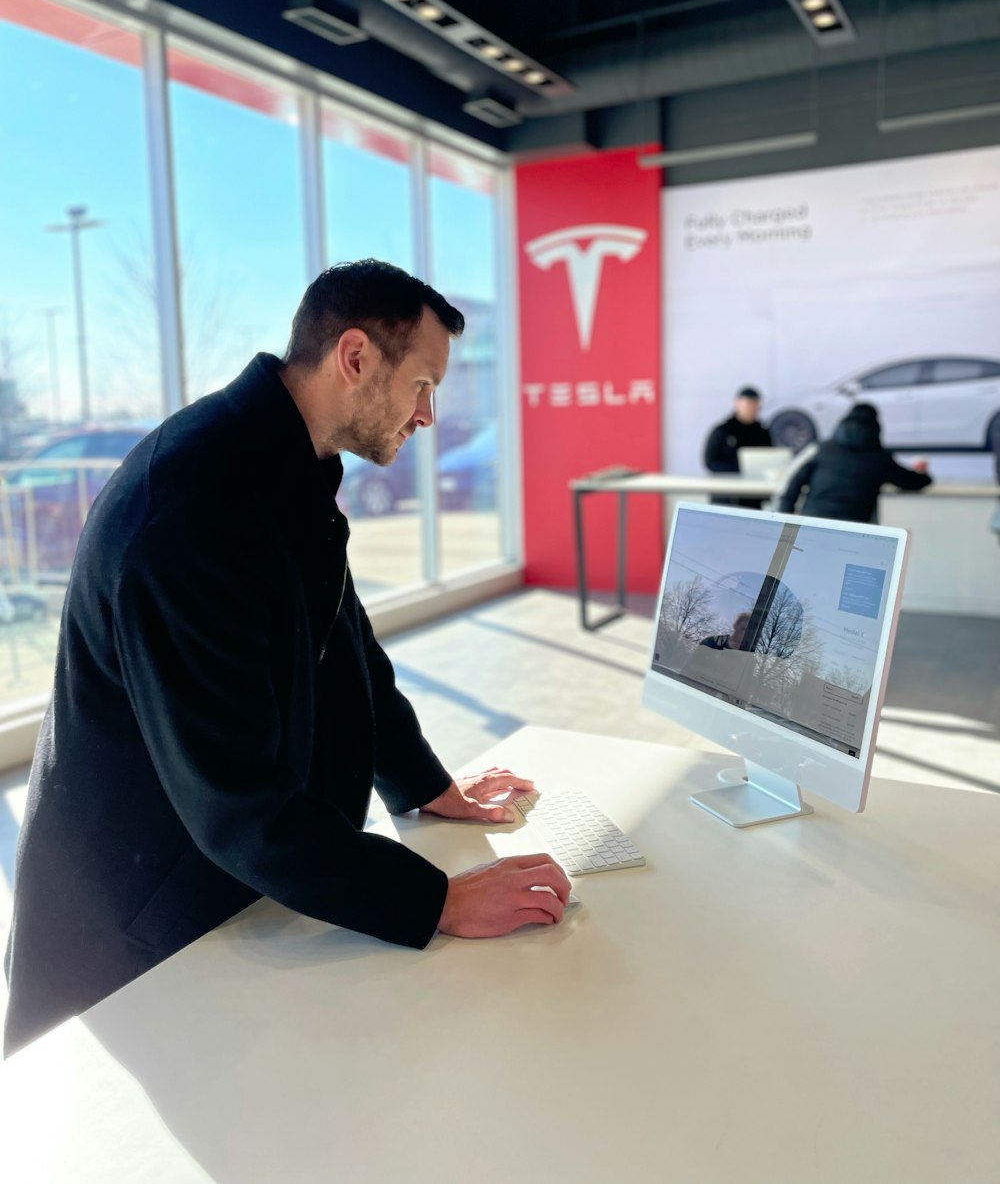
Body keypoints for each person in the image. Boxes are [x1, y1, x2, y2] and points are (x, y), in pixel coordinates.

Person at [3, 258, 570, 1057]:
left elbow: (349, 650)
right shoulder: (191, 510)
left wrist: (427, 785)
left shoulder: (286, 467)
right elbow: (236, 800)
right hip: (132, 940)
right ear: (355, 357)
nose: (430, 414)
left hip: (230, 897)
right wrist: (433, 900)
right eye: (422, 385)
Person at [778, 402, 931, 522]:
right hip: (854, 529)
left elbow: (794, 483)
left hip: (813, 521)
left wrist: (786, 518)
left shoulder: (823, 449)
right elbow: (913, 482)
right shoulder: (880, 458)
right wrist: (924, 474)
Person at [703, 386, 772, 509]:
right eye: (748, 403)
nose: (751, 407)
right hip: (726, 496)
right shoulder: (723, 431)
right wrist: (740, 469)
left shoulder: (762, 433)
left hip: (753, 497)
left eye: (755, 403)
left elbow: (770, 459)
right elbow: (710, 462)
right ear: (737, 403)